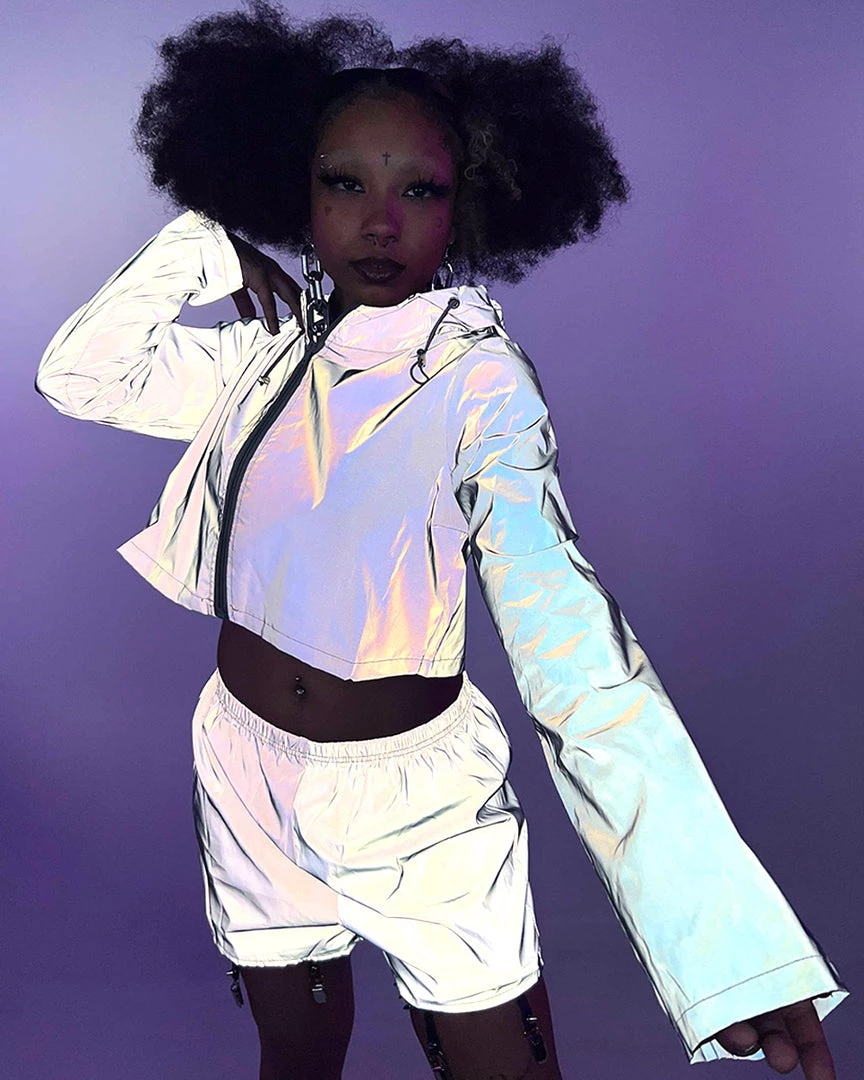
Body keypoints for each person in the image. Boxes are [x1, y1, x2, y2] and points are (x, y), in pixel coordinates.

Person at [34, 4, 849, 1079]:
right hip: (241, 762)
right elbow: (80, 376)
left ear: (467, 209)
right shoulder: (261, 356)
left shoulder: (477, 385)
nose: (379, 222)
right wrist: (203, 247)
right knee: (294, 1047)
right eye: (343, 183)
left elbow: (577, 654)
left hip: (416, 804)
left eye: (417, 190)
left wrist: (728, 948)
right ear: (295, 193)